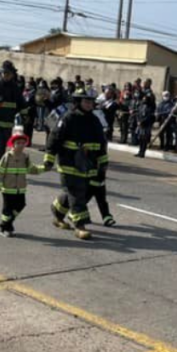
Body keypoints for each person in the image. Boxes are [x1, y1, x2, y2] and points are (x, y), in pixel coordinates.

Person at [43, 88, 107, 240]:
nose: (89, 104)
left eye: (91, 102)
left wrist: (103, 163)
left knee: (75, 193)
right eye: (86, 101)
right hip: (69, 163)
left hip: (88, 164)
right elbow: (54, 138)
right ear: (78, 102)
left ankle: (57, 213)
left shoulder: (94, 120)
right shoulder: (68, 118)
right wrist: (49, 158)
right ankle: (80, 226)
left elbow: (101, 143)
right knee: (77, 194)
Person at [0, 133, 43, 237]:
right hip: (8, 188)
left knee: (21, 204)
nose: (20, 145)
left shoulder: (25, 157)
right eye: (18, 143)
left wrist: (43, 168)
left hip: (20, 188)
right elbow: (0, 171)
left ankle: (5, 223)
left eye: (23, 143)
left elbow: (31, 169)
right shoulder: (7, 156)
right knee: (7, 208)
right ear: (13, 144)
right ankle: (5, 228)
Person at [135, 90, 156, 158]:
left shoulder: (150, 107)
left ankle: (142, 152)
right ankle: (139, 151)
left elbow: (149, 116)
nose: (144, 100)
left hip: (146, 125)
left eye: (145, 99)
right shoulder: (141, 106)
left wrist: (142, 122)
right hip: (140, 124)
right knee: (140, 138)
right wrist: (138, 121)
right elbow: (138, 114)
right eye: (143, 99)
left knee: (144, 139)